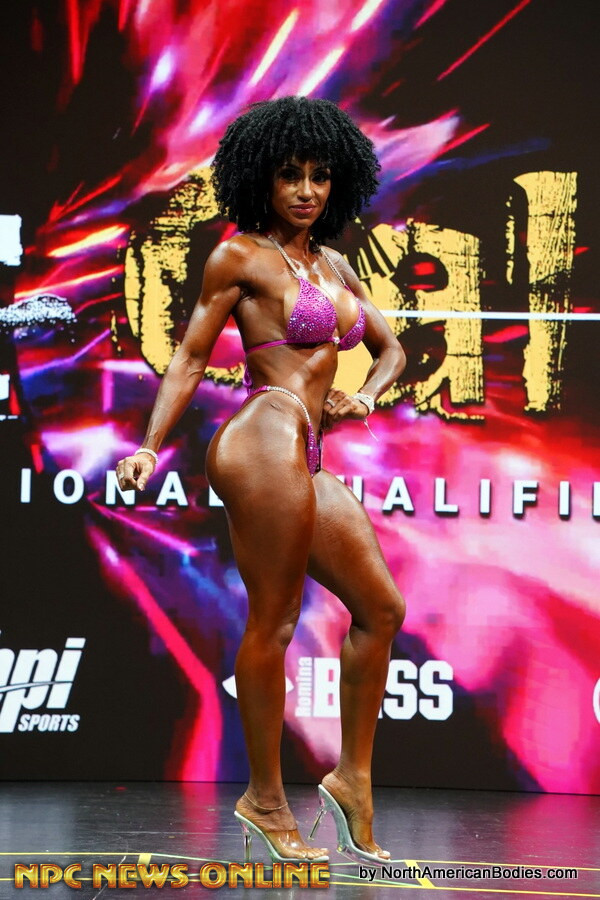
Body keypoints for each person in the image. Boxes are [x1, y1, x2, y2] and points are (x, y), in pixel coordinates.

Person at [116, 97, 406, 865]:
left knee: (381, 608)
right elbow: (188, 357)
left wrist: (365, 396)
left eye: (319, 176)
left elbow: (391, 349)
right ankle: (266, 798)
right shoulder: (239, 257)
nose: (306, 190)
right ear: (261, 180)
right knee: (273, 622)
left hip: (307, 450)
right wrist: (150, 447)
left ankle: (352, 780)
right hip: (263, 431)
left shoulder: (334, 265)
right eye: (289, 175)